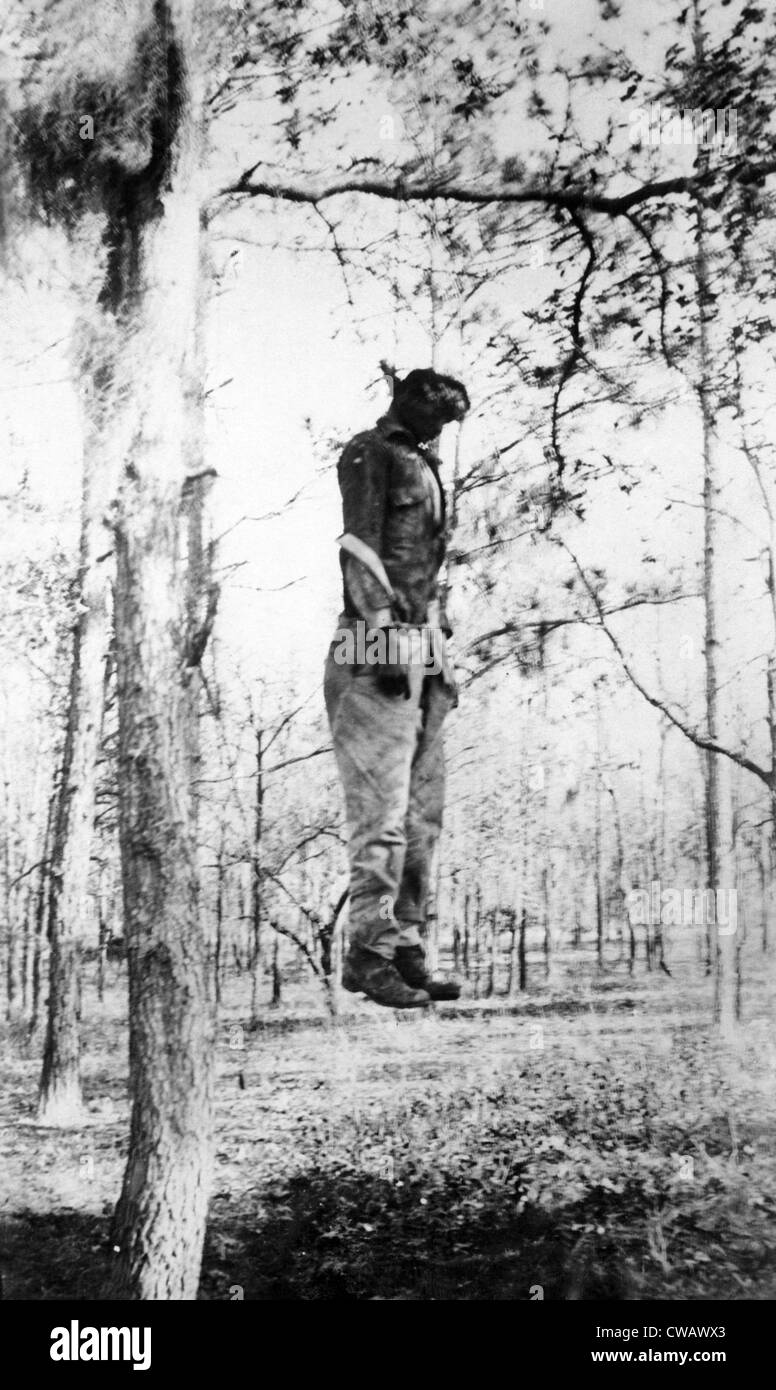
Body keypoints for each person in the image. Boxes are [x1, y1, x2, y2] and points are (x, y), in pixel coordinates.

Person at [324, 367, 470, 1007]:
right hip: (372, 647)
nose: (443, 429)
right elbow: (358, 543)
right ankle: (367, 954)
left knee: (421, 820)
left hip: (424, 652)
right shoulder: (370, 452)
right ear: (409, 403)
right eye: (437, 416)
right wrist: (381, 632)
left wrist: (438, 653)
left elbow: (427, 571)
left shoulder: (426, 465)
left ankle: (405, 943)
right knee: (381, 820)